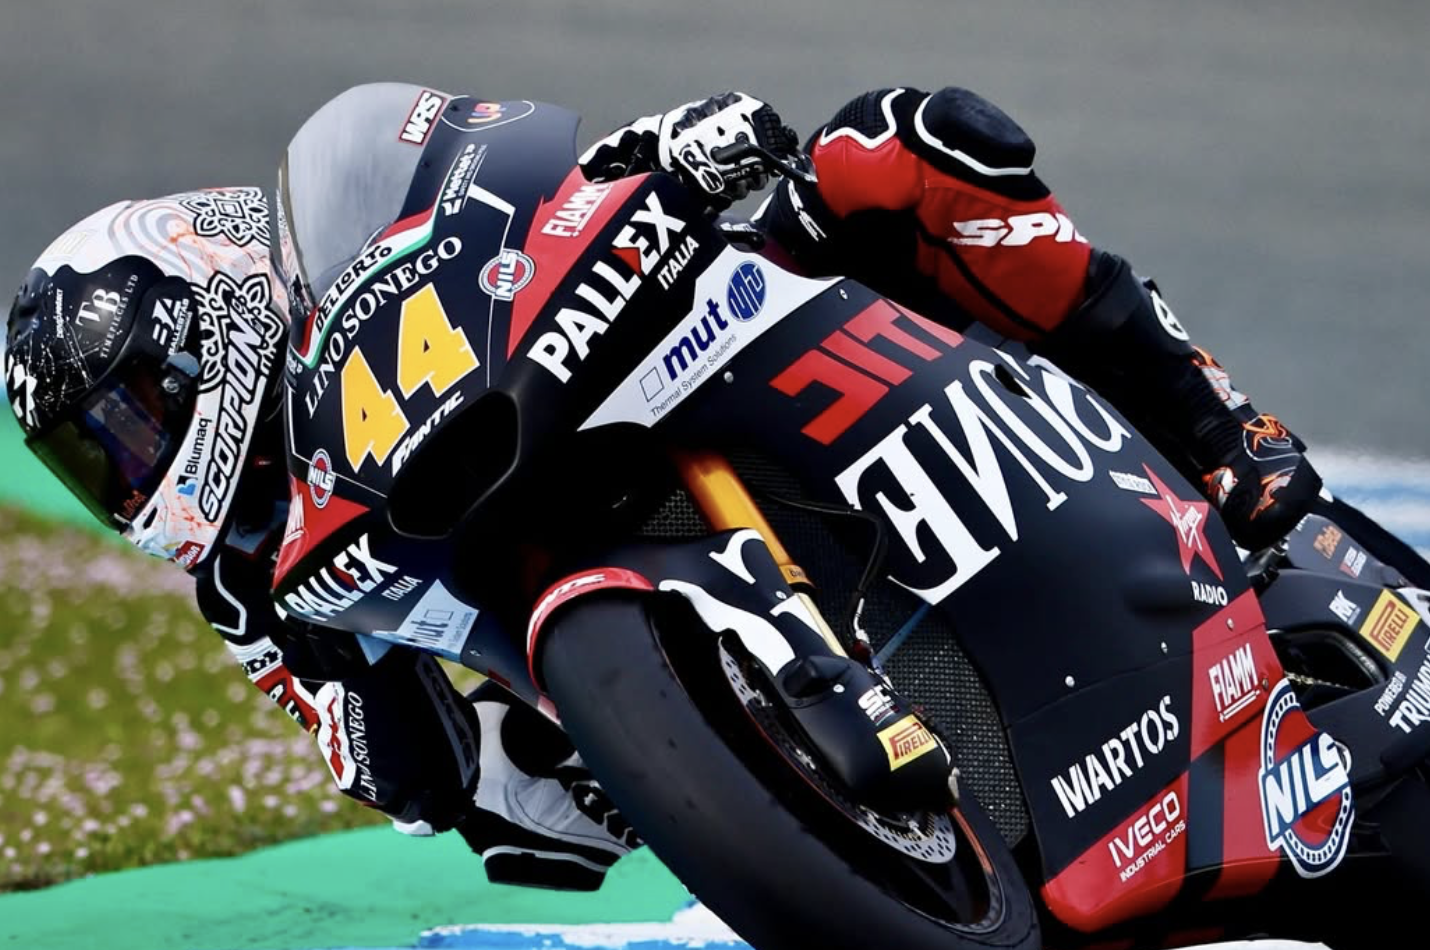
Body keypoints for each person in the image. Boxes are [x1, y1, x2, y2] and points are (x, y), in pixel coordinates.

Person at [2, 86, 1319, 888]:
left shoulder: (345, 240)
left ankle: (1214, 427)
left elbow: (500, 174)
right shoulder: (243, 574)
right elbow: (397, 768)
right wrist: (418, 741)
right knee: (514, 809)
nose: (127, 465)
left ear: (212, 317)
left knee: (902, 145)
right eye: (90, 459)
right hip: (584, 624)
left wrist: (659, 152)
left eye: (126, 415)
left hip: (671, 345)